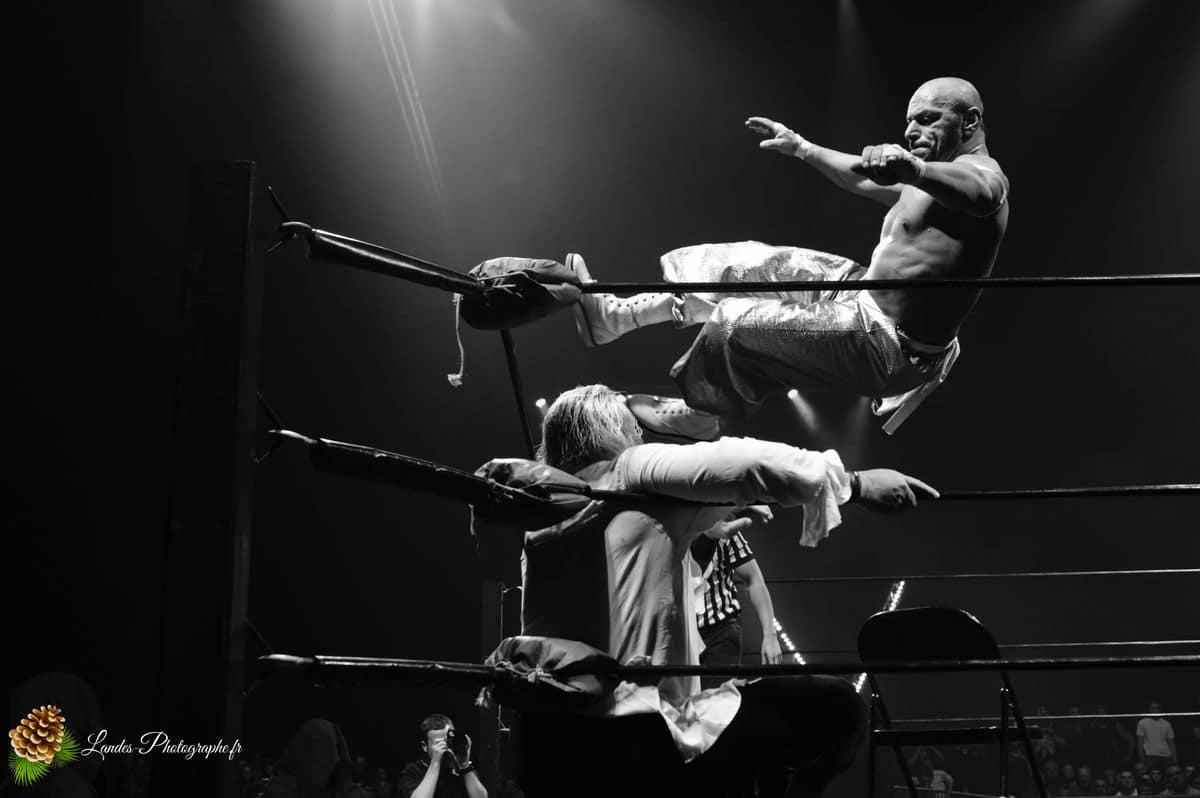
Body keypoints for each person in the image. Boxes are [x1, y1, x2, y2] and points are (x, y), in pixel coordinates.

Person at [497, 384, 937, 798]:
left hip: (546, 745)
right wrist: (853, 483)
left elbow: (640, 554)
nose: (640, 433)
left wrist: (709, 522)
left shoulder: (542, 513)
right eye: (634, 428)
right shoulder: (628, 469)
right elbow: (742, 462)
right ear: (612, 432)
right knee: (838, 708)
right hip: (635, 736)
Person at [572, 77, 1008, 432]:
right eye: (910, 121)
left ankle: (703, 413)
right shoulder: (923, 177)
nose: (912, 131)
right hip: (860, 295)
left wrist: (915, 169)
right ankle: (619, 317)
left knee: (736, 324)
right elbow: (859, 178)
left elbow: (983, 195)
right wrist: (801, 147)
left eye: (928, 119)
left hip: (891, 344)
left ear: (969, 122)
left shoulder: (983, 179)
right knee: (749, 263)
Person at [396, 715, 487, 798]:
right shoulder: (413, 771)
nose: (446, 746)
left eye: (449, 741)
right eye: (439, 743)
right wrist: (435, 762)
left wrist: (464, 765)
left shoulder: (462, 770)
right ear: (425, 746)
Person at [1138, 703, 1178, 774]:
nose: (1155, 710)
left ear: (1160, 709)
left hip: (1165, 756)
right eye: (1153, 708)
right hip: (1150, 755)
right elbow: (1140, 742)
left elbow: (1171, 743)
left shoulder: (1167, 724)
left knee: (1166, 777)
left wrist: (1174, 758)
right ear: (1149, 709)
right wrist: (1142, 758)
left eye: (1157, 708)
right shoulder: (1142, 722)